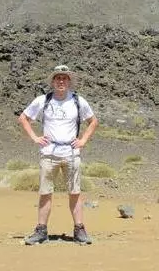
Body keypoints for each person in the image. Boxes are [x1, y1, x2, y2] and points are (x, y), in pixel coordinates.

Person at [18, 64, 98, 245]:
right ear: (53, 81)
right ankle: (41, 230)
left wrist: (83, 141)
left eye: (64, 78)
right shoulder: (43, 100)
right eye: (58, 78)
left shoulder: (78, 100)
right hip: (49, 152)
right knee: (45, 192)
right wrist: (35, 138)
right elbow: (23, 118)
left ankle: (79, 230)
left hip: (70, 152)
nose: (61, 81)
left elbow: (93, 121)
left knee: (75, 192)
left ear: (69, 81)